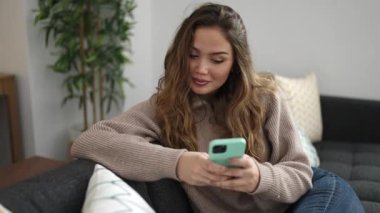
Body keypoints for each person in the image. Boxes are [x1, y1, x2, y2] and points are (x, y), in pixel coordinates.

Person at [71, 3, 363, 213]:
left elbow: (301, 175)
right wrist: (178, 163)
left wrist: (259, 177)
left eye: (217, 59)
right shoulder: (166, 106)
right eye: (193, 55)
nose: (201, 69)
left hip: (308, 196)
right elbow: (89, 141)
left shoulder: (265, 98)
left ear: (236, 62)